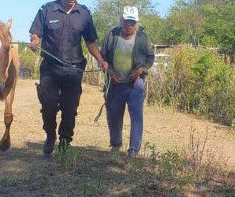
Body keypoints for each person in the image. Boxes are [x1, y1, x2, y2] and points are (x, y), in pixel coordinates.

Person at [30, 0, 109, 155]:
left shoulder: (84, 13)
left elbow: (90, 41)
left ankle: (65, 141)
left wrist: (100, 59)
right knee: (48, 105)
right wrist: (34, 42)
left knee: (70, 107)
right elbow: (36, 34)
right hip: (50, 67)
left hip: (74, 68)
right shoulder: (47, 9)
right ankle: (50, 136)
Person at [100, 6, 155, 158]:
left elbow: (151, 57)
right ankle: (115, 146)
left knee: (136, 116)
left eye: (132, 22)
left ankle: (133, 150)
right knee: (114, 116)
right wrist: (109, 70)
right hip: (115, 83)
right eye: (126, 22)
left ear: (136, 23)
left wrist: (142, 69)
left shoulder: (143, 37)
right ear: (121, 20)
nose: (129, 26)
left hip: (135, 84)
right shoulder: (111, 35)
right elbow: (102, 56)